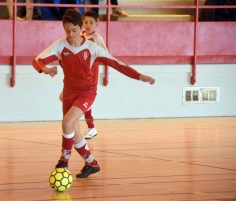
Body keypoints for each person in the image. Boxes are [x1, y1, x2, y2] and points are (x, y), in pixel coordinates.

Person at [32, 9, 155, 178]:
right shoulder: (60, 45)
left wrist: (140, 76)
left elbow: (118, 64)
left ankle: (63, 162)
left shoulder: (93, 48)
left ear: (80, 27)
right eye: (67, 31)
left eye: (74, 30)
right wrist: (45, 69)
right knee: (74, 133)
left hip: (86, 93)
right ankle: (91, 163)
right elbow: (37, 61)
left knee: (67, 122)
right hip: (68, 92)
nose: (71, 34)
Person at [59, 10, 107, 139]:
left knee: (84, 99)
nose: (88, 25)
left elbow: (105, 57)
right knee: (68, 98)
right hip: (75, 76)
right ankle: (78, 126)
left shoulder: (97, 39)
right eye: (86, 22)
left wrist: (90, 65)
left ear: (97, 23)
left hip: (90, 75)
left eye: (91, 22)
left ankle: (91, 127)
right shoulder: (78, 36)